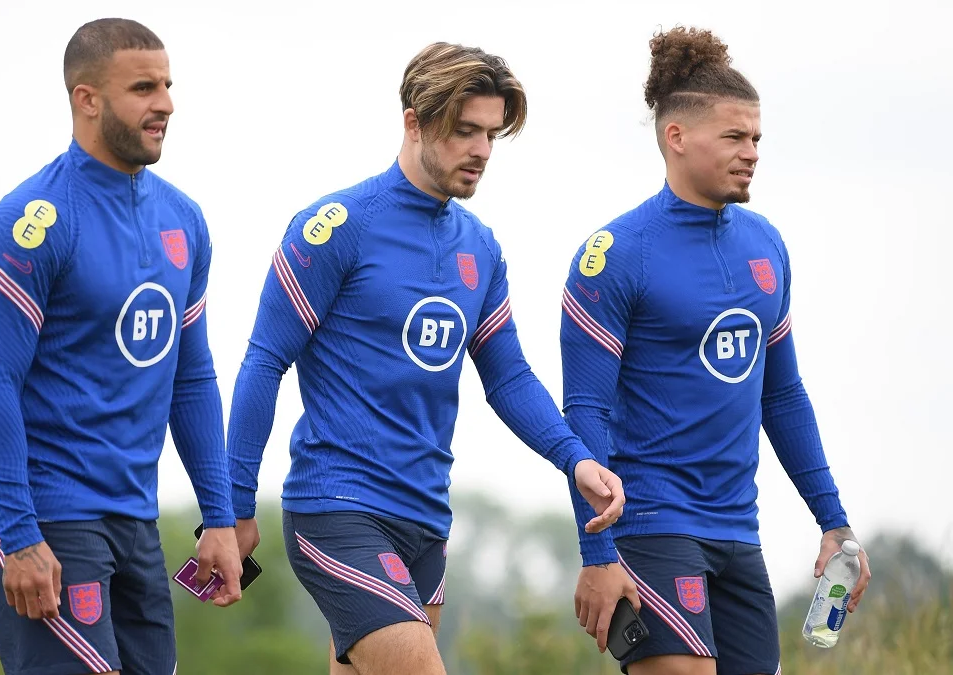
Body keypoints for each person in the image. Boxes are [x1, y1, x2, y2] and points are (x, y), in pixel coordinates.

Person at [226, 42, 629, 675]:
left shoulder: (481, 248)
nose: (482, 150)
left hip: (426, 520)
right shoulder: (335, 227)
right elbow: (263, 362)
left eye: (491, 134)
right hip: (338, 507)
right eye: (465, 131)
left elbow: (509, 377)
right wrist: (233, 503)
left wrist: (574, 458)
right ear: (414, 122)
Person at [560, 26, 872, 675]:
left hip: (737, 533)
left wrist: (834, 521)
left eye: (756, 138)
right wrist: (598, 553)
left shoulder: (766, 245)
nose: (751, 152)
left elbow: (782, 396)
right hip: (650, 524)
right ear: (677, 136)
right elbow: (585, 411)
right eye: (734, 137)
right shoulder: (615, 255)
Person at [0, 17, 241, 675]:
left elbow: (192, 377)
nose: (166, 104)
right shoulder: (32, 221)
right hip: (47, 517)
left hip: (136, 519)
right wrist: (19, 533)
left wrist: (219, 516)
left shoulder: (184, 219)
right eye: (143, 88)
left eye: (168, 86)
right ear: (86, 99)